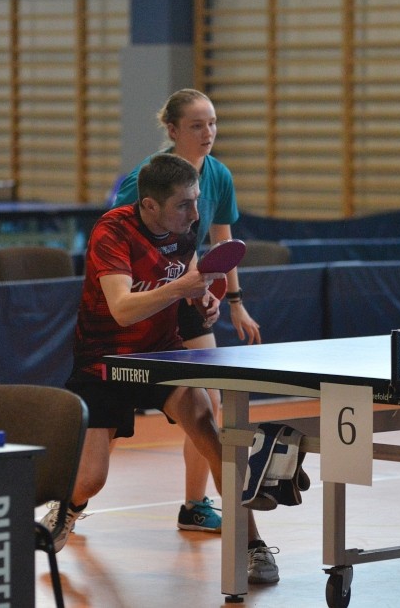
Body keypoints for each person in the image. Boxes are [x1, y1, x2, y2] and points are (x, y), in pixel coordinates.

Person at [41, 153, 279, 584]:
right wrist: (181, 287)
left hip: (161, 357)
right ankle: (69, 506)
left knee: (214, 439)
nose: (195, 214)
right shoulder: (112, 231)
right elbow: (122, 309)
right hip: (105, 362)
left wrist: (199, 301)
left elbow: (184, 279)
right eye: (184, 205)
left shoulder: (183, 229)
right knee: (90, 480)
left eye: (196, 201)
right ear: (149, 205)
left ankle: (253, 545)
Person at [112, 88, 261, 534]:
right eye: (197, 125)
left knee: (209, 402)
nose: (208, 132)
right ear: (173, 130)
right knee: (109, 417)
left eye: (212, 123)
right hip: (146, 294)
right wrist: (167, 285)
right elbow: (117, 238)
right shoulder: (147, 178)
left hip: (187, 289)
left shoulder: (218, 174)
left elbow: (222, 241)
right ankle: (71, 502)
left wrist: (232, 300)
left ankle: (195, 505)